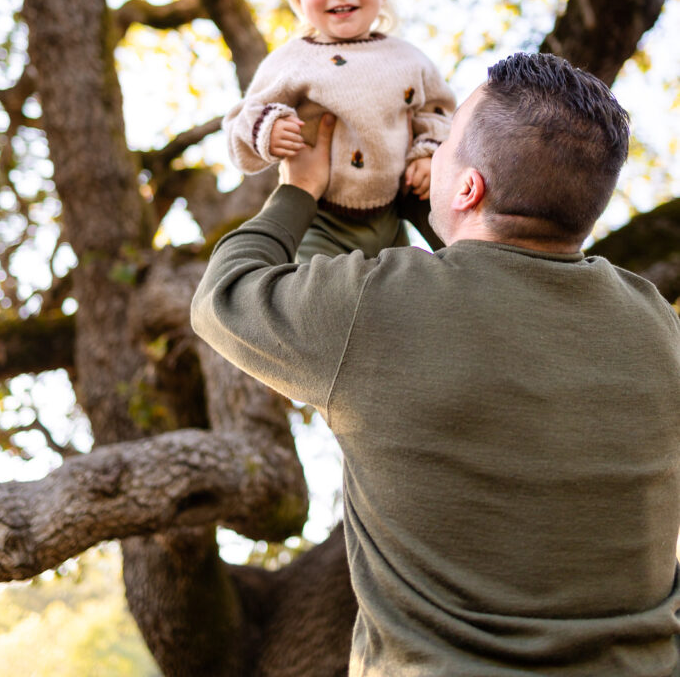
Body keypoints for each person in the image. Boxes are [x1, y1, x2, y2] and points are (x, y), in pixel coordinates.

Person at [192, 52, 680, 676]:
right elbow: (489, 277)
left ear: (471, 185)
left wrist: (299, 188)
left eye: (444, 142)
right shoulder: (653, 322)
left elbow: (224, 296)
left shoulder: (375, 305)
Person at [223, 0, 456, 261]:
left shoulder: (409, 59)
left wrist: (428, 154)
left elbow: (438, 112)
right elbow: (243, 118)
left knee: (397, 296)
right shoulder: (292, 60)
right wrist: (268, 128)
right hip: (321, 220)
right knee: (318, 297)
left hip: (393, 215)